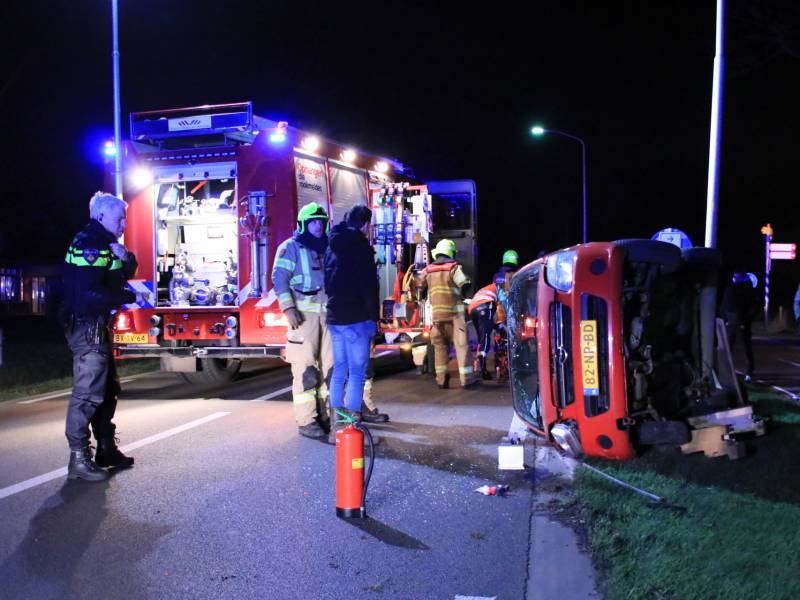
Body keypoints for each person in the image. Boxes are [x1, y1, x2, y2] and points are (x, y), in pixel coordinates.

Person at [61, 191, 142, 481]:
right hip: (87, 325)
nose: (124, 224)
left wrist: (126, 256)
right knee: (87, 393)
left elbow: (124, 271)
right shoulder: (89, 245)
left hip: (97, 325)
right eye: (120, 219)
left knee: (107, 389)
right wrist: (126, 296)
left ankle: (106, 449)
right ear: (101, 216)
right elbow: (88, 293)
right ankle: (79, 458)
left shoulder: (106, 243)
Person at [323, 204, 383, 441]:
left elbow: (328, 282)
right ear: (365, 224)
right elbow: (369, 286)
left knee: (340, 370)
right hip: (357, 318)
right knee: (357, 372)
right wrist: (373, 318)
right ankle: (352, 428)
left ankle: (336, 427)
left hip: (335, 317)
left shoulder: (331, 244)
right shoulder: (360, 247)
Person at [272, 202, 332, 439]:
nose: (318, 226)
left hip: (329, 318)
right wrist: (288, 309)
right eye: (313, 222)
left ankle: (326, 415)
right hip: (303, 318)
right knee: (306, 370)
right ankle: (307, 420)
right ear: (303, 225)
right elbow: (279, 279)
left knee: (330, 369)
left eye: (321, 222)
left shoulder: (329, 247)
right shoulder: (290, 247)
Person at [417, 239, 476, 389]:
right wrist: (465, 295)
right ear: (451, 252)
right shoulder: (453, 268)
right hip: (455, 317)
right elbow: (464, 284)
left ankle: (441, 380)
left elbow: (419, 285)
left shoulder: (428, 270)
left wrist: (422, 296)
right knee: (462, 347)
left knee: (440, 348)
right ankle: (466, 379)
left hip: (437, 318)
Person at [467, 250, 519, 379]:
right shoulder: (515, 275)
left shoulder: (497, 275)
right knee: (492, 336)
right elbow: (504, 298)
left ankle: (484, 365)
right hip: (489, 306)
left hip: (474, 308)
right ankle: (486, 368)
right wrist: (512, 314)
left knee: (485, 337)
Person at [721, 271, 759, 381]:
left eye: (737, 276)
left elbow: (753, 308)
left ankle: (749, 372)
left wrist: (746, 321)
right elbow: (725, 306)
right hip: (732, 323)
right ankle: (727, 370)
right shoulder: (729, 289)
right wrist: (726, 320)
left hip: (743, 323)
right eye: (734, 276)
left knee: (746, 347)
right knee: (729, 348)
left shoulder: (748, 291)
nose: (735, 278)